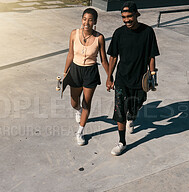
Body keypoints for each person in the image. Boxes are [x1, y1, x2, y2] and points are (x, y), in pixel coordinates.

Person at [106, 1, 160, 156]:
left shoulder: (148, 32)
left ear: (137, 14)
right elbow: (113, 58)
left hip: (140, 79)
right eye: (123, 17)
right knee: (120, 110)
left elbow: (151, 56)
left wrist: (152, 76)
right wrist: (109, 77)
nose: (126, 20)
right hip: (122, 78)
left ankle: (132, 116)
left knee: (138, 103)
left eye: (129, 16)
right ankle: (121, 142)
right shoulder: (119, 33)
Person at [63, 8, 109, 146]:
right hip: (75, 70)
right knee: (74, 103)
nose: (86, 22)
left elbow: (104, 59)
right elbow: (70, 54)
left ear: (95, 21)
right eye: (84, 19)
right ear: (81, 19)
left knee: (86, 103)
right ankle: (79, 111)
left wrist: (109, 77)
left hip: (91, 72)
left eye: (90, 20)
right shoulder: (74, 34)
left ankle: (80, 132)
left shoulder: (99, 38)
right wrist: (65, 72)